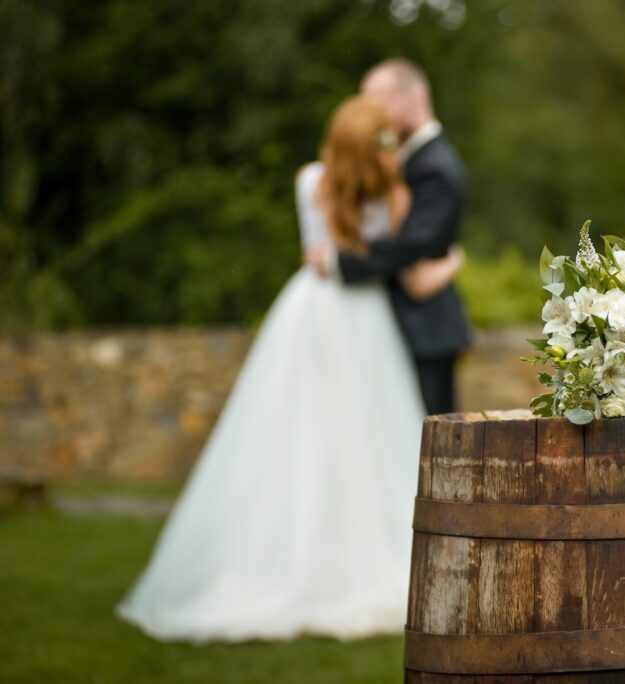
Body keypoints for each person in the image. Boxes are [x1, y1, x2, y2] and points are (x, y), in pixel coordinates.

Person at [116, 96, 461, 642]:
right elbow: (405, 273)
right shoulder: (393, 193)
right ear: (378, 146)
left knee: (294, 428)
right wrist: (449, 263)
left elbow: (315, 255)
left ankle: (288, 557)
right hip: (366, 318)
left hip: (311, 310)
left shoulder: (310, 183)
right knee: (361, 435)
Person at [306, 58, 470, 415]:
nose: (373, 115)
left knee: (432, 443)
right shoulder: (397, 160)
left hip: (425, 326)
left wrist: (336, 261)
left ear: (417, 97)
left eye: (381, 102)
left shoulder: (436, 166)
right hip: (384, 321)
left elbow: (411, 244)